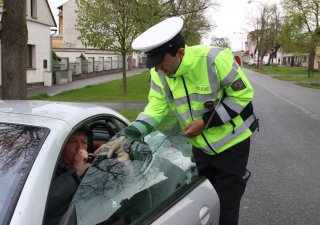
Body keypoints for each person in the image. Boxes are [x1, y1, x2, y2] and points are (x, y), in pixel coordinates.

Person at [121, 17, 259, 225]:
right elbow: (156, 107)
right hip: (199, 149)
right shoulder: (159, 73)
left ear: (180, 52)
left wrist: (205, 123)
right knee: (205, 202)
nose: (157, 69)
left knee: (227, 208)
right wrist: (134, 130)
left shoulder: (214, 58)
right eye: (153, 64)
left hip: (232, 146)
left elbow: (242, 94)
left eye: (160, 62)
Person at [45, 128, 129, 225]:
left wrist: (97, 158)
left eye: (84, 142)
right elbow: (46, 203)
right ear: (62, 146)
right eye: (72, 142)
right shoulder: (50, 170)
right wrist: (75, 173)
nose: (79, 148)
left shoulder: (85, 163)